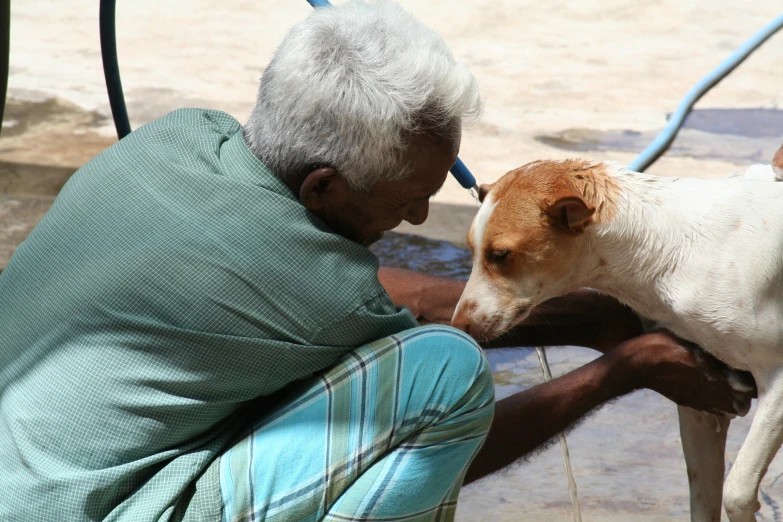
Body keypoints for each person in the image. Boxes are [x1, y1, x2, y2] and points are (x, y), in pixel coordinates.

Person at [0, 2, 755, 521]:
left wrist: (586, 313)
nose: (423, 216)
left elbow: (374, 294)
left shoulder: (181, 140)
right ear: (324, 187)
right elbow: (456, 433)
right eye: (409, 197)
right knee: (444, 374)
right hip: (92, 509)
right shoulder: (314, 294)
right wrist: (616, 373)